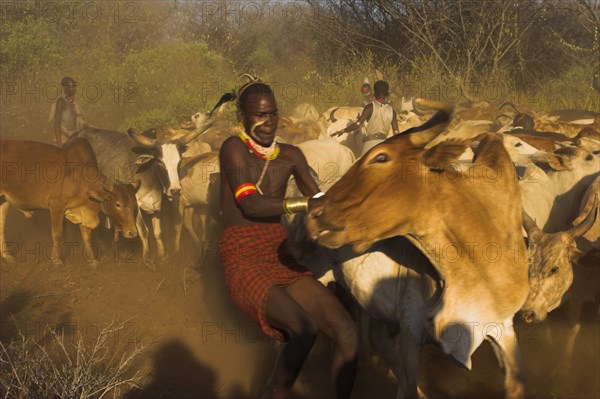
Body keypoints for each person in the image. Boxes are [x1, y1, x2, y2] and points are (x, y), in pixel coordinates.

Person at [218, 78, 358, 399]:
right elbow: (250, 203)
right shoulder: (233, 149)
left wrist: (352, 204)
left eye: (274, 114)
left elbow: (320, 197)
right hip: (242, 257)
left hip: (279, 253)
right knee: (303, 329)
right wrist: (305, 205)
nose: (269, 123)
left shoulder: (291, 155)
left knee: (348, 332)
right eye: (260, 115)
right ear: (243, 117)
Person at [331, 80, 400, 156]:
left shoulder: (369, 107)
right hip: (384, 145)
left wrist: (343, 130)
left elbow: (357, 124)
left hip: (370, 145)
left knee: (359, 166)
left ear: (374, 93)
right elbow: (396, 133)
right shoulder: (392, 111)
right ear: (387, 93)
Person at [49, 76, 88, 145]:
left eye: (74, 87)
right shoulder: (61, 102)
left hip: (71, 138)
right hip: (62, 138)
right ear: (64, 88)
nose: (74, 89)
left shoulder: (73, 103)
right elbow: (56, 125)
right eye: (71, 87)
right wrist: (60, 145)